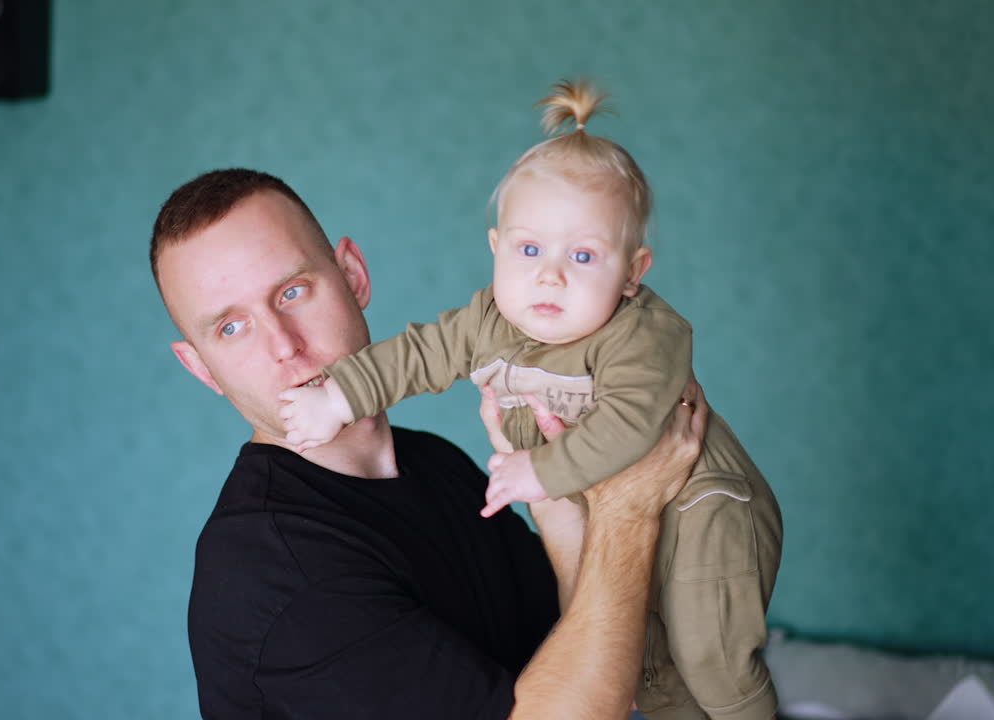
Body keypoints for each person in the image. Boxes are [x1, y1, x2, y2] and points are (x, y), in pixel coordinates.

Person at [275, 80, 783, 720]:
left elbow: (629, 426)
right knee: (650, 671)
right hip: (621, 516)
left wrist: (536, 472)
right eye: (530, 248)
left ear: (633, 273)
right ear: (497, 249)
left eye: (583, 255)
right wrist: (340, 398)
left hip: (709, 510)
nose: (550, 273)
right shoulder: (487, 322)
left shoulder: (643, 336)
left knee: (712, 660)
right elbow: (418, 354)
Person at [150, 167, 709, 718]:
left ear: (353, 276)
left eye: (292, 292)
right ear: (201, 369)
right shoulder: (274, 572)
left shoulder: (431, 462)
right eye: (231, 327)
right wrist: (629, 512)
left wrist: (551, 489)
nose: (284, 345)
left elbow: (604, 669)